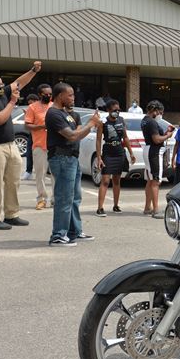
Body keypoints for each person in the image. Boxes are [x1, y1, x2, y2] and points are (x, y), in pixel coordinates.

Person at [0, 62, 42, 230]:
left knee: (13, 181)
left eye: (1, 84)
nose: (0, 87)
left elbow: (20, 82)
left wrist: (33, 70)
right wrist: (12, 102)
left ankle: (11, 215)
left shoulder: (2, 93)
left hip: (11, 144)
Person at [46, 83, 100, 246]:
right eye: (69, 95)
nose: (73, 98)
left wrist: (89, 125)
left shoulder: (67, 114)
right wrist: (90, 124)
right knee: (64, 197)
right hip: (61, 158)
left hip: (72, 159)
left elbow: (78, 135)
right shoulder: (54, 114)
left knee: (75, 197)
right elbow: (71, 136)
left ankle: (74, 231)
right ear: (60, 96)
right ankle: (58, 235)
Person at [95, 99, 136, 217]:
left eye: (118, 110)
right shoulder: (103, 122)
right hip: (108, 151)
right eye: (114, 110)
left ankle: (116, 205)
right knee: (105, 180)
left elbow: (126, 137)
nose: (116, 112)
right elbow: (98, 140)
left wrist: (131, 153)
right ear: (108, 110)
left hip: (119, 151)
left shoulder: (121, 120)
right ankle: (100, 208)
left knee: (117, 180)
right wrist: (99, 157)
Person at [141, 101, 174, 218]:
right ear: (154, 110)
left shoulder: (145, 120)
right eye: (160, 112)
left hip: (148, 150)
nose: (160, 114)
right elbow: (156, 139)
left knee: (150, 180)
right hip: (154, 152)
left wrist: (164, 134)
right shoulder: (152, 122)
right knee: (156, 180)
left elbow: (155, 137)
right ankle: (155, 210)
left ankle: (147, 207)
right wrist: (167, 136)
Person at [24, 84, 53, 210]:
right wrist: (42, 126)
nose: (48, 96)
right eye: (46, 94)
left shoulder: (55, 106)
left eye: (50, 94)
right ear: (40, 94)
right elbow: (27, 125)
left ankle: (55, 199)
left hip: (54, 146)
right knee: (40, 174)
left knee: (55, 174)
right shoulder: (32, 107)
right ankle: (42, 199)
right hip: (39, 145)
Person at [20, 94, 38, 181]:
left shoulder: (40, 109)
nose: (30, 105)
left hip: (41, 135)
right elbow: (28, 124)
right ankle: (28, 171)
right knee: (29, 152)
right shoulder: (31, 109)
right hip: (32, 134)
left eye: (31, 103)